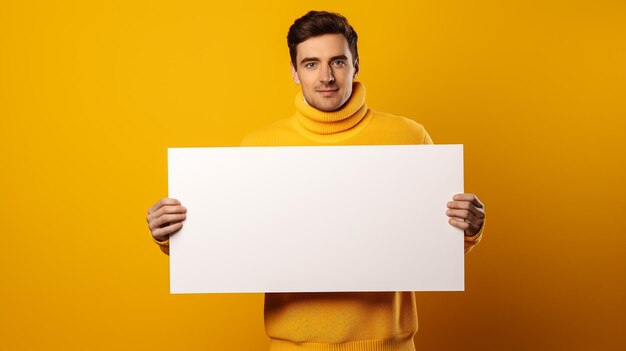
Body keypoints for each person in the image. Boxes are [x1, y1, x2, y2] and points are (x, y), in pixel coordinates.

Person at [146, 10, 485, 351]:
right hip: (292, 345)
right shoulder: (259, 146)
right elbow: (231, 240)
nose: (326, 76)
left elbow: (434, 245)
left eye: (337, 62)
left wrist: (467, 228)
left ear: (356, 64)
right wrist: (171, 235)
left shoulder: (408, 137)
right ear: (294, 72)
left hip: (389, 345)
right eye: (311, 64)